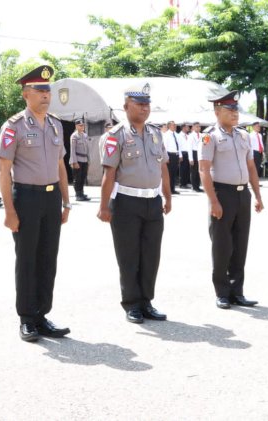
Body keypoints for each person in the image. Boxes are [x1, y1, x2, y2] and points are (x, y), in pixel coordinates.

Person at [0, 65, 71, 342]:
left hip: (51, 198)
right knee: (27, 259)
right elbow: (4, 171)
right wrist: (9, 211)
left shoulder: (54, 125)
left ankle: (42, 315)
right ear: (25, 94)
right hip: (26, 197)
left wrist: (66, 201)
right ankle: (27, 318)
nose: (45, 95)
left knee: (48, 258)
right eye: (39, 90)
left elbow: (60, 165)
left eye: (47, 90)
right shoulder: (13, 126)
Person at [97, 81, 172, 324]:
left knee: (151, 255)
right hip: (126, 202)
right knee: (129, 256)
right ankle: (131, 304)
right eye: (139, 104)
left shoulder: (155, 133)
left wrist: (167, 196)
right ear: (126, 106)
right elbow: (109, 174)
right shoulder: (115, 136)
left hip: (153, 201)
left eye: (147, 105)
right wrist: (104, 206)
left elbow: (163, 167)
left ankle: (146, 301)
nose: (144, 109)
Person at [198, 90, 263, 309]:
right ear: (217, 111)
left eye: (236, 109)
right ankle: (222, 292)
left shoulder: (243, 135)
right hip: (222, 194)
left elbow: (251, 167)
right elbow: (204, 170)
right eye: (230, 109)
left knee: (240, 243)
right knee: (222, 245)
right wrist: (213, 201)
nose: (235, 113)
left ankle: (237, 291)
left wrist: (257, 195)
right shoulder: (210, 136)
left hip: (242, 193)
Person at [69, 118, 91, 201]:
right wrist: (74, 162)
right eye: (80, 125)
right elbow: (72, 150)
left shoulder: (85, 135)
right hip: (77, 159)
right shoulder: (74, 136)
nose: (82, 127)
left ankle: (81, 193)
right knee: (77, 178)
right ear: (76, 126)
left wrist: (89, 160)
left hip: (85, 159)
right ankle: (78, 194)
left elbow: (87, 149)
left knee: (83, 177)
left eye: (83, 125)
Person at [163, 121, 181, 194]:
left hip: (175, 155)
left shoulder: (176, 135)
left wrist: (180, 155)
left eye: (175, 125)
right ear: (169, 126)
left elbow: (179, 146)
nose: (175, 126)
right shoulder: (166, 135)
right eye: (173, 125)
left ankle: (172, 189)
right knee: (169, 174)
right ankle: (168, 189)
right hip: (169, 155)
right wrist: (166, 157)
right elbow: (164, 147)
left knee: (174, 173)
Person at [188, 122, 203, 192]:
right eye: (196, 126)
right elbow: (189, 148)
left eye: (199, 127)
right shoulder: (191, 135)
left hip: (200, 153)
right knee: (193, 171)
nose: (198, 128)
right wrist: (191, 158)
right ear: (193, 127)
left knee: (199, 171)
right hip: (194, 153)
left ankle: (198, 186)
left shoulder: (202, 135)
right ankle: (194, 186)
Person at [178, 124, 191, 188]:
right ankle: (182, 183)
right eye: (187, 127)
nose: (188, 128)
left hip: (188, 153)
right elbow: (179, 146)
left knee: (187, 169)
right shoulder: (179, 135)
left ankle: (186, 182)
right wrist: (180, 155)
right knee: (182, 169)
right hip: (183, 153)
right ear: (183, 128)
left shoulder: (188, 135)